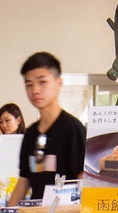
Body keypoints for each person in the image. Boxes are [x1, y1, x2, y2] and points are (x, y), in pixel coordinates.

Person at [7, 52, 86, 205]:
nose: (35, 90)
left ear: (58, 83)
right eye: (29, 84)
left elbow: (83, 180)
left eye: (42, 82)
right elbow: (23, 183)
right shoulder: (30, 134)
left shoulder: (73, 129)